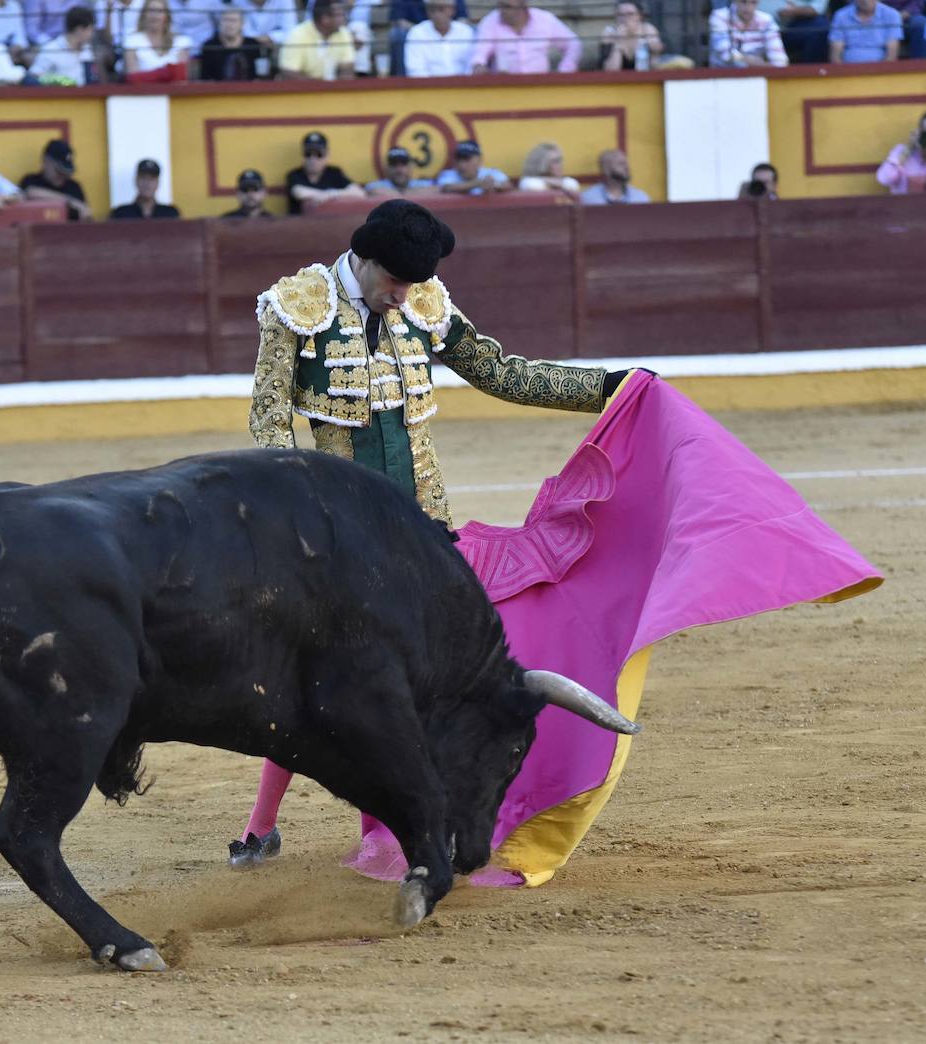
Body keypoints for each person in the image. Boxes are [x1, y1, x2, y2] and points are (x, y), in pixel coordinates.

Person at [233, 198, 637, 866]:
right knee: (317, 677)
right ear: (362, 260)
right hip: (340, 533)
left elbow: (499, 371)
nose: (404, 295)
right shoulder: (296, 306)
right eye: (394, 281)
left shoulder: (423, 304)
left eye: (412, 283)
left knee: (440, 672)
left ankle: (439, 818)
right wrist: (294, 517)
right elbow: (269, 419)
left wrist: (607, 387)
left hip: (425, 530)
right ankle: (260, 826)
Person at [471, 0, 580, 74]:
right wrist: (479, 65)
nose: (501, 11)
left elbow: (573, 44)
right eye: (500, 5)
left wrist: (565, 71)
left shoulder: (545, 19)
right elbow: (480, 52)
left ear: (522, 8)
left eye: (507, 7)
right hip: (504, 87)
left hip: (540, 85)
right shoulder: (490, 21)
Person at [284, 130, 365, 215]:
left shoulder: (334, 173)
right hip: (300, 226)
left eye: (319, 154)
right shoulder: (295, 174)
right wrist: (326, 194)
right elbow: (299, 192)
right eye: (308, 154)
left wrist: (330, 194)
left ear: (327, 155)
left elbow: (358, 192)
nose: (313, 159)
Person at [278, 0, 355, 80]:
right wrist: (320, 87)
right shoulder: (297, 35)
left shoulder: (343, 32)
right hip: (300, 90)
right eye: (339, 15)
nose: (343, 18)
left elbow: (348, 68)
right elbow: (289, 73)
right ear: (325, 19)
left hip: (332, 89)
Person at [19, 139, 91, 219]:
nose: (62, 175)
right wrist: (70, 202)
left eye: (66, 171)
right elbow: (30, 192)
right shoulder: (31, 180)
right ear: (46, 162)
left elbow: (85, 214)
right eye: (58, 170)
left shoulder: (74, 187)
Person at [401, 0, 474, 77]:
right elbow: (415, 69)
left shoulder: (465, 32)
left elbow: (471, 66)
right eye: (432, 10)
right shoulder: (417, 33)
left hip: (464, 86)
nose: (436, 14)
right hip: (428, 87)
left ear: (452, 10)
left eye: (441, 9)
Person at [710, 0, 789, 66]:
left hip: (756, 76)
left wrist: (746, 60)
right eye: (743, 1)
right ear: (734, 1)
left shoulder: (766, 20)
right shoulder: (720, 16)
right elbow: (726, 55)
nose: (748, 7)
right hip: (723, 76)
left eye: (753, 2)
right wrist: (757, 63)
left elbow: (780, 60)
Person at [121, 0, 188, 79]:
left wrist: (149, 76)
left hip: (172, 91)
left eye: (159, 11)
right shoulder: (132, 41)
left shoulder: (181, 42)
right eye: (151, 11)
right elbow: (133, 78)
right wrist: (166, 73)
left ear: (166, 15)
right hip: (143, 91)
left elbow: (181, 79)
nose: (155, 16)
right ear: (144, 14)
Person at [29, 3, 94, 82]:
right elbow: (34, 75)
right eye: (90, 30)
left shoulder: (87, 50)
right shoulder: (51, 50)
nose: (91, 34)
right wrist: (55, 81)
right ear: (79, 30)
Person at [200, 6, 262, 80]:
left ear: (242, 24)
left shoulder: (253, 45)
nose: (229, 24)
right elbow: (205, 79)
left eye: (233, 20)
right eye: (225, 20)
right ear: (220, 23)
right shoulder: (209, 47)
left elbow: (259, 78)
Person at [828, 0, 903, 61]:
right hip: (848, 72)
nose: (865, 1)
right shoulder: (841, 15)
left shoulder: (892, 15)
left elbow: (892, 54)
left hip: (881, 72)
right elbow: (835, 55)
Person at [599, 0, 664, 69]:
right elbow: (611, 70)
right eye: (621, 15)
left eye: (630, 14)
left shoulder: (647, 29)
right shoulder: (609, 32)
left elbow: (656, 64)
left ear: (640, 16)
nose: (625, 18)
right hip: (617, 78)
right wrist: (619, 41)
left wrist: (654, 48)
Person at [436, 139, 511, 196]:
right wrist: (478, 183)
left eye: (467, 159)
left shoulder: (491, 172)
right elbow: (447, 187)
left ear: (479, 160)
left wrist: (495, 184)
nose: (462, 164)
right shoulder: (448, 174)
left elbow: (507, 184)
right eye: (459, 159)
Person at [109, 157, 179, 218]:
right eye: (143, 177)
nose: (147, 183)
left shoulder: (170, 214)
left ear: (158, 182)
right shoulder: (120, 214)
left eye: (152, 179)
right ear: (136, 180)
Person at [579, 148, 650, 205]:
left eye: (626, 163)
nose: (627, 167)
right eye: (621, 164)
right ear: (606, 169)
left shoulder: (640, 198)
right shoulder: (589, 198)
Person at [365, 145, 435, 196]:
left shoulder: (424, 184)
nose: (399, 169)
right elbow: (372, 190)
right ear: (387, 168)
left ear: (410, 167)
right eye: (394, 165)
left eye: (403, 164)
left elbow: (436, 189)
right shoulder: (375, 186)